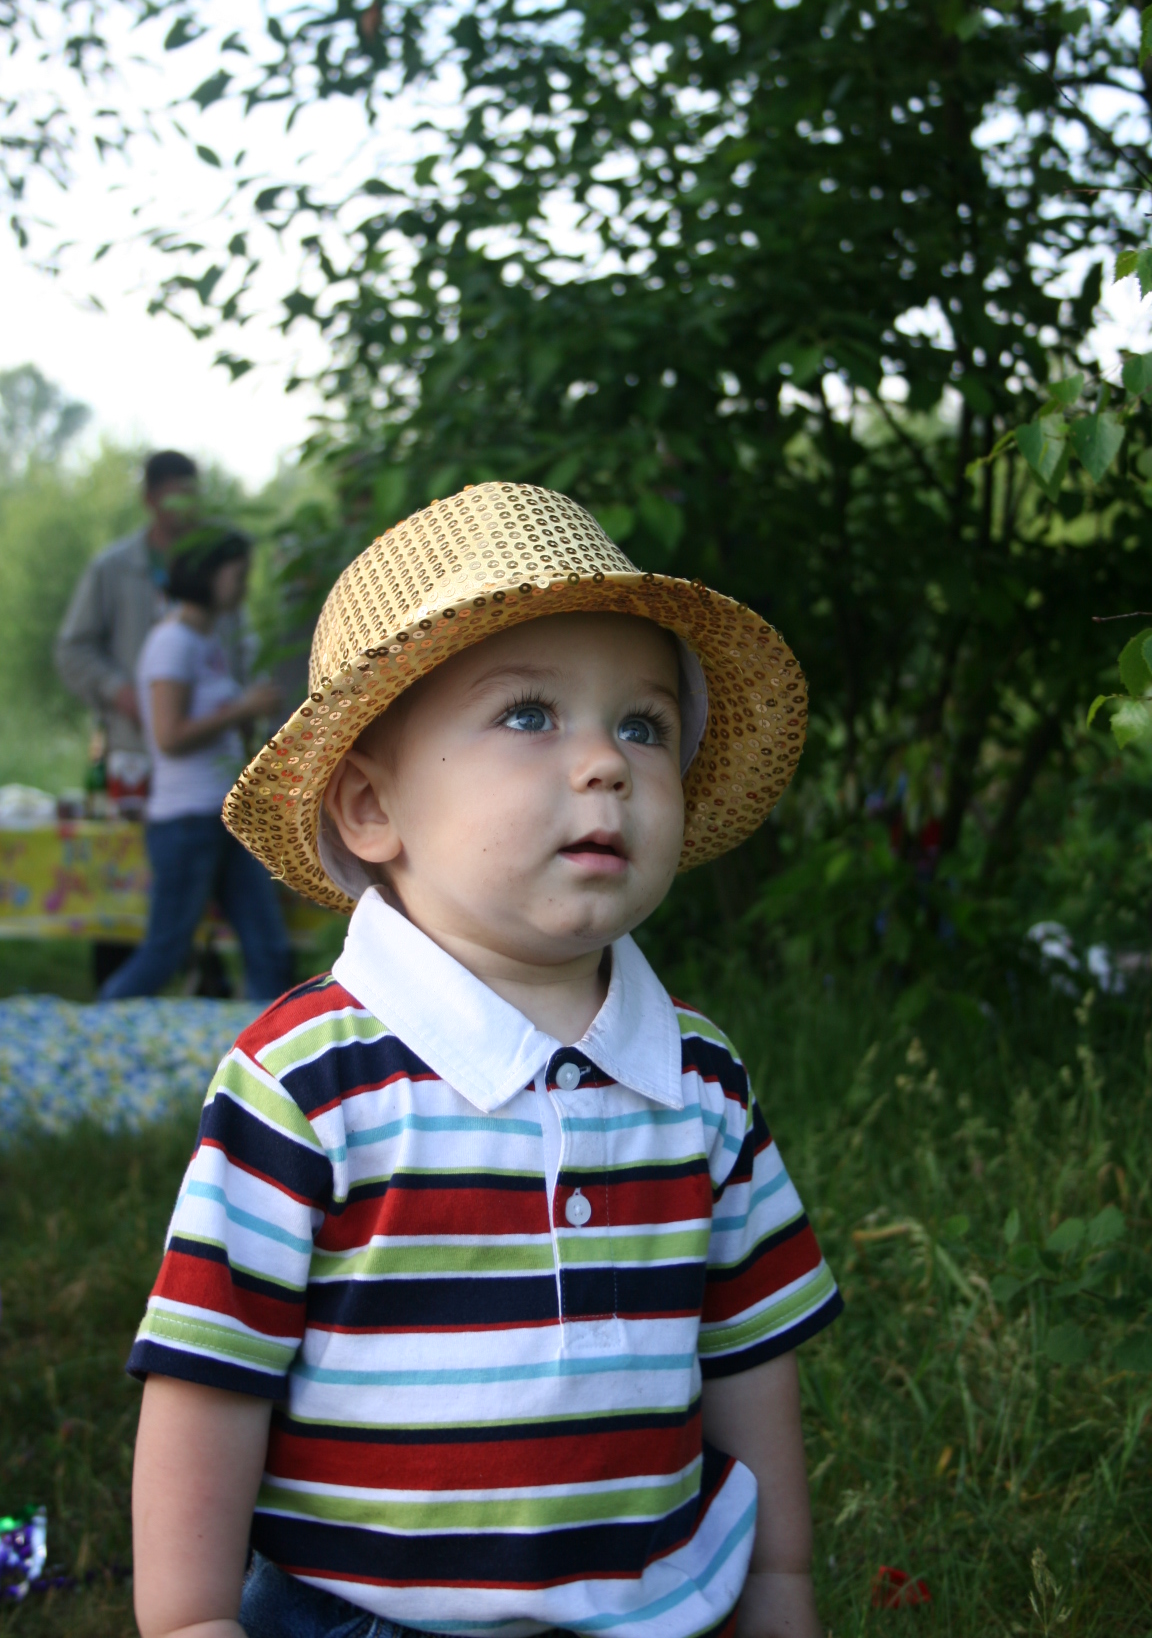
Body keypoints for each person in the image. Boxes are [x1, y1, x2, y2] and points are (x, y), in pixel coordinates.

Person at [128, 482, 839, 1638]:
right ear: (372, 808)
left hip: (657, 1608)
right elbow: (211, 1374)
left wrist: (777, 1587)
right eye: (530, 715)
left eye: (645, 726)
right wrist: (189, 1619)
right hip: (365, 1616)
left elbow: (750, 1356)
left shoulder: (698, 1078)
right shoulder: (306, 1082)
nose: (606, 763)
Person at [55, 449, 247, 983]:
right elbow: (73, 649)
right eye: (174, 498)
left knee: (202, 899)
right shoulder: (114, 567)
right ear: (150, 500)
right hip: (138, 754)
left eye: (192, 497)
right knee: (132, 887)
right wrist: (119, 691)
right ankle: (121, 994)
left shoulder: (216, 565)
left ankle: (202, 991)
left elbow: (237, 648)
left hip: (206, 766)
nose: (185, 510)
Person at [97, 526, 292, 1005]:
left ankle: (271, 1045)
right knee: (165, 951)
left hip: (224, 815)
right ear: (209, 575)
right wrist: (242, 709)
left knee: (268, 947)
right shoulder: (173, 643)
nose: (243, 586)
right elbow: (168, 736)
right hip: (186, 820)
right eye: (238, 574)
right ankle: (95, 1024)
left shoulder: (208, 642)